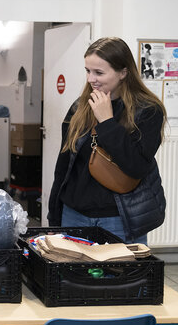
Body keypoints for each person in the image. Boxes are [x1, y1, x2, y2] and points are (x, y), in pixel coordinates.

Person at [48, 37, 167, 244]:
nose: (90, 79)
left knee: (119, 276)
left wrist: (106, 121)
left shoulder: (148, 111)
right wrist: (54, 218)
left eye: (99, 73)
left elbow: (136, 166)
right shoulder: (80, 108)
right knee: (76, 276)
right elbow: (64, 166)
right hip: (74, 215)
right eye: (88, 71)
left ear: (123, 72)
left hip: (119, 218)